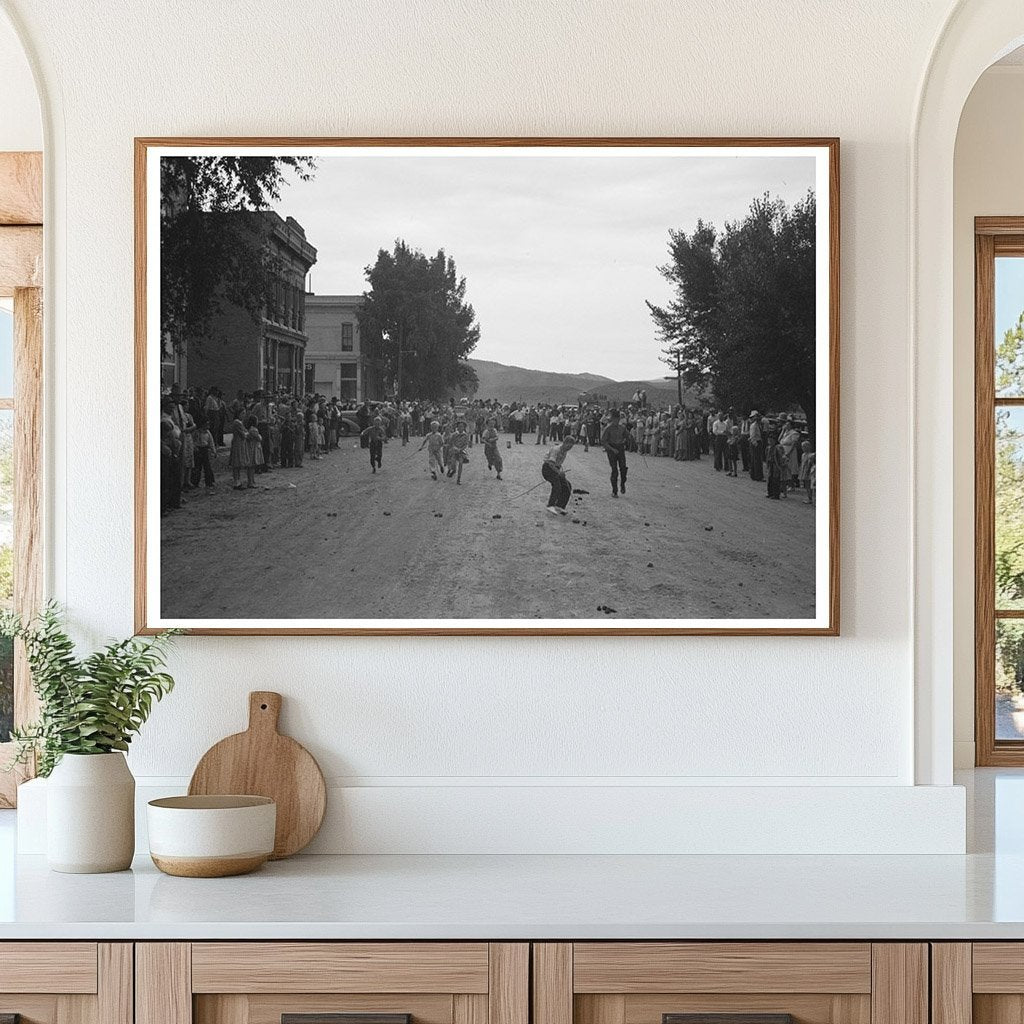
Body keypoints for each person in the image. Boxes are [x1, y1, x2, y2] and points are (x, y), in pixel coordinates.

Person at [542, 434, 576, 516]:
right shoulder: (556, 450)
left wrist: (561, 472)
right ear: (564, 443)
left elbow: (558, 464)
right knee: (557, 485)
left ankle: (560, 505)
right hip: (548, 469)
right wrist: (559, 472)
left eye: (571, 447)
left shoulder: (565, 452)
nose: (569, 448)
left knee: (567, 485)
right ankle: (550, 505)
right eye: (568, 446)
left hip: (555, 469)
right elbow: (550, 463)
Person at [601, 408, 629, 497]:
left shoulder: (622, 428)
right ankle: (614, 490)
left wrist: (627, 439)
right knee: (614, 470)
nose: (616, 421)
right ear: (612, 419)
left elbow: (627, 436)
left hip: (620, 448)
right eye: (615, 419)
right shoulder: (608, 428)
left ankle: (622, 484)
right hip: (611, 449)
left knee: (623, 469)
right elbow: (603, 441)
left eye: (617, 419)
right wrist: (612, 449)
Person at [191, 417, 216, 487]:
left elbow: (211, 442)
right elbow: (193, 440)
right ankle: (195, 482)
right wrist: (194, 447)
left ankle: (209, 481)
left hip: (205, 449)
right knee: (197, 467)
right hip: (198, 449)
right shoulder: (196, 432)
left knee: (207, 466)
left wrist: (213, 451)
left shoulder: (208, 433)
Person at [448, 419, 470, 484]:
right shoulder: (454, 434)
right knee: (453, 462)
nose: (460, 428)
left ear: (464, 427)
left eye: (462, 426)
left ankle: (458, 479)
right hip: (454, 450)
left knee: (460, 463)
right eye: (459, 426)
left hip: (461, 451)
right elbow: (451, 442)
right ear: (457, 427)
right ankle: (453, 470)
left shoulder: (465, 435)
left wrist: (461, 449)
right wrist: (454, 448)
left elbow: (466, 444)